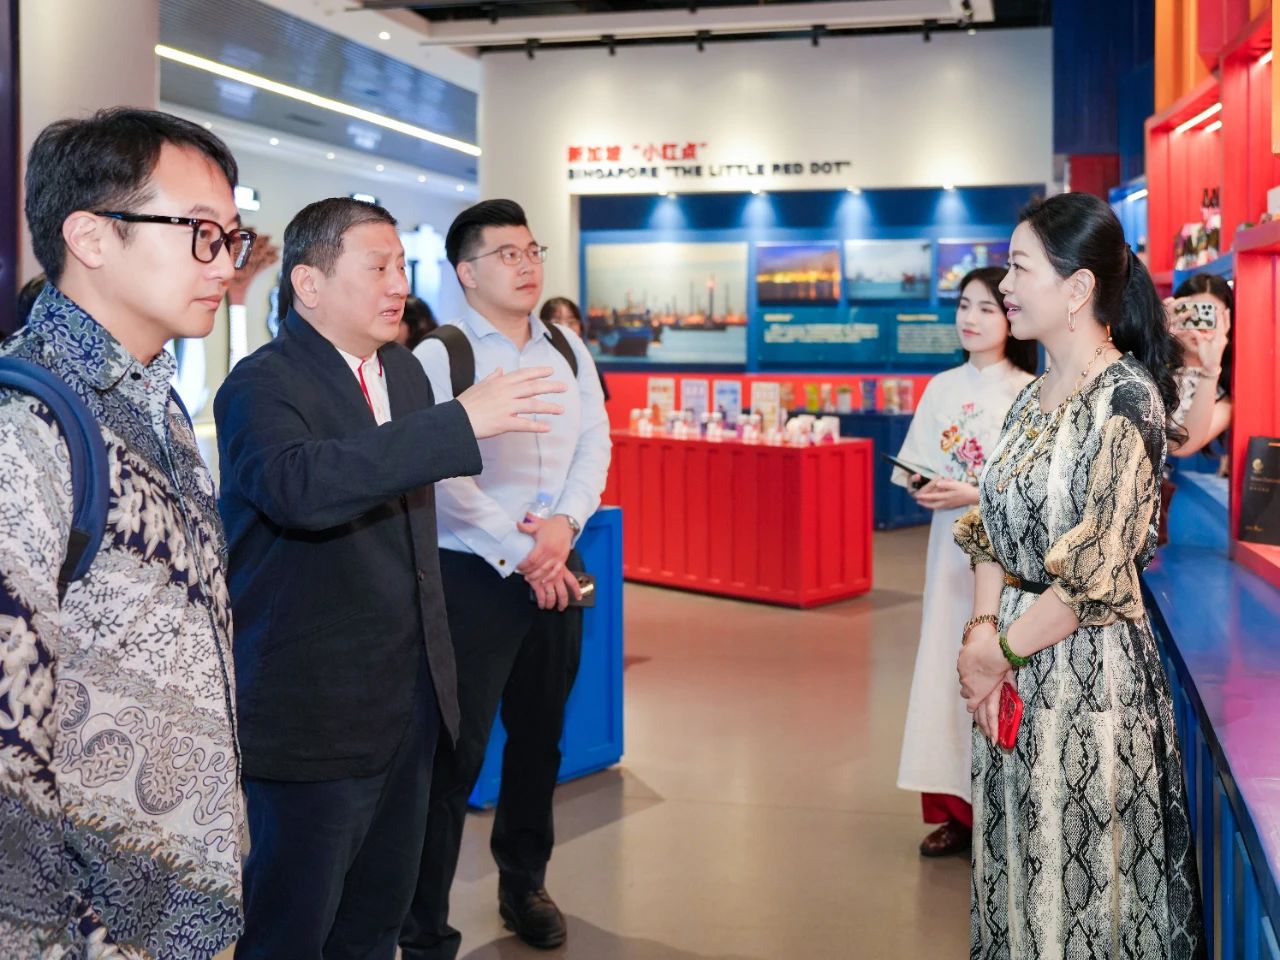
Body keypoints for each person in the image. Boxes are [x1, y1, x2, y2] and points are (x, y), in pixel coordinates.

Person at [214, 197, 566, 960]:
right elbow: (300, 487)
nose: (398, 284)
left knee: (377, 924)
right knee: (293, 929)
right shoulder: (261, 385)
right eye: (377, 267)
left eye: (402, 265)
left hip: (408, 706)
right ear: (309, 284)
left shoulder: (402, 372)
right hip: (316, 714)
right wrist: (458, 423)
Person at [1, 108, 251, 957]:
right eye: (200, 234)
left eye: (232, 237)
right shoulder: (26, 429)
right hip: (94, 927)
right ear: (90, 237)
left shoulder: (159, 405)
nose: (225, 264)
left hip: (190, 895)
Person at [953, 191, 1205, 958]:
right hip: (1012, 678)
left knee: (1084, 893)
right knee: (1018, 879)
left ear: (1077, 288)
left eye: (1019, 268)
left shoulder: (1125, 399)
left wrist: (997, 653)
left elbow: (1093, 574)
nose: (1005, 286)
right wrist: (983, 631)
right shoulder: (1031, 398)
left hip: (1087, 681)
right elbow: (989, 522)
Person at [401, 200, 611, 958]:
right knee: (452, 755)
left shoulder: (567, 347)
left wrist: (563, 528)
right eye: (507, 254)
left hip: (556, 562)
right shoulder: (440, 355)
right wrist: (519, 549)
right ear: (467, 272)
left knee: (540, 738)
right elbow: (437, 469)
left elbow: (595, 442)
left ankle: (524, 883)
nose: (527, 266)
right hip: (472, 577)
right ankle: (423, 922)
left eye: (532, 251)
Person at [892, 267, 1037, 858]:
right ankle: (953, 811)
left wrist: (974, 492)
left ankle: (1003, 812)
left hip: (1004, 554)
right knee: (941, 668)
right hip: (946, 554)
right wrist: (926, 486)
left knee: (999, 669)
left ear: (1011, 316)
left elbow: (1033, 488)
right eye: (963, 306)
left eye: (986, 308)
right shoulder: (940, 387)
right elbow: (915, 467)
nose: (970, 319)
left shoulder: (1031, 390)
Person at [1167, 272, 1232, 460]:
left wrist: (1210, 370)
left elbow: (1181, 446)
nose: (1201, 327)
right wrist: (1155, 336)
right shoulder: (1152, 366)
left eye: (1210, 317)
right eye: (1193, 315)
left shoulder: (1224, 399)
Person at [540, 295, 609, 401]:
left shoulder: (586, 361)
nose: (564, 328)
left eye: (571, 322)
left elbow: (596, 404)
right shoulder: (536, 361)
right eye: (556, 322)